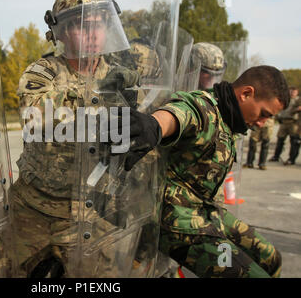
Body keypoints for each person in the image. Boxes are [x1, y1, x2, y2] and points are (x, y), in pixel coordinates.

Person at [0, 0, 160, 278]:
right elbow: (34, 115)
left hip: (92, 212)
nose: (92, 33)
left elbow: (149, 121)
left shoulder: (123, 77)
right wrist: (101, 102)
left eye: (99, 24)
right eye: (81, 25)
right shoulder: (43, 70)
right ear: (61, 33)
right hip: (33, 208)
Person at [120, 65, 289, 277]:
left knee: (271, 259)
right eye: (264, 114)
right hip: (177, 223)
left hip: (205, 213)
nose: (263, 123)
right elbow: (179, 114)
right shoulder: (204, 106)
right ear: (246, 94)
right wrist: (154, 125)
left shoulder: (230, 118)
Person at [269, 87, 299, 163]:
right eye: (291, 91)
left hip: (293, 122)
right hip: (283, 122)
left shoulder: (298, 100)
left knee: (294, 141)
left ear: (297, 93)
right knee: (280, 140)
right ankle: (276, 156)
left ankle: (291, 159)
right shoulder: (285, 99)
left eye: (294, 92)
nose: (292, 93)